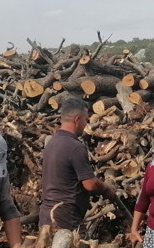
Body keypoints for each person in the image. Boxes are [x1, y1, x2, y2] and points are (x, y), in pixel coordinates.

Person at [39, 97, 117, 230]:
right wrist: (106, 188)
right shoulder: (75, 147)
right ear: (77, 120)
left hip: (46, 213)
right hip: (66, 216)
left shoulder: (52, 143)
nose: (86, 124)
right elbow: (90, 185)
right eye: (85, 120)